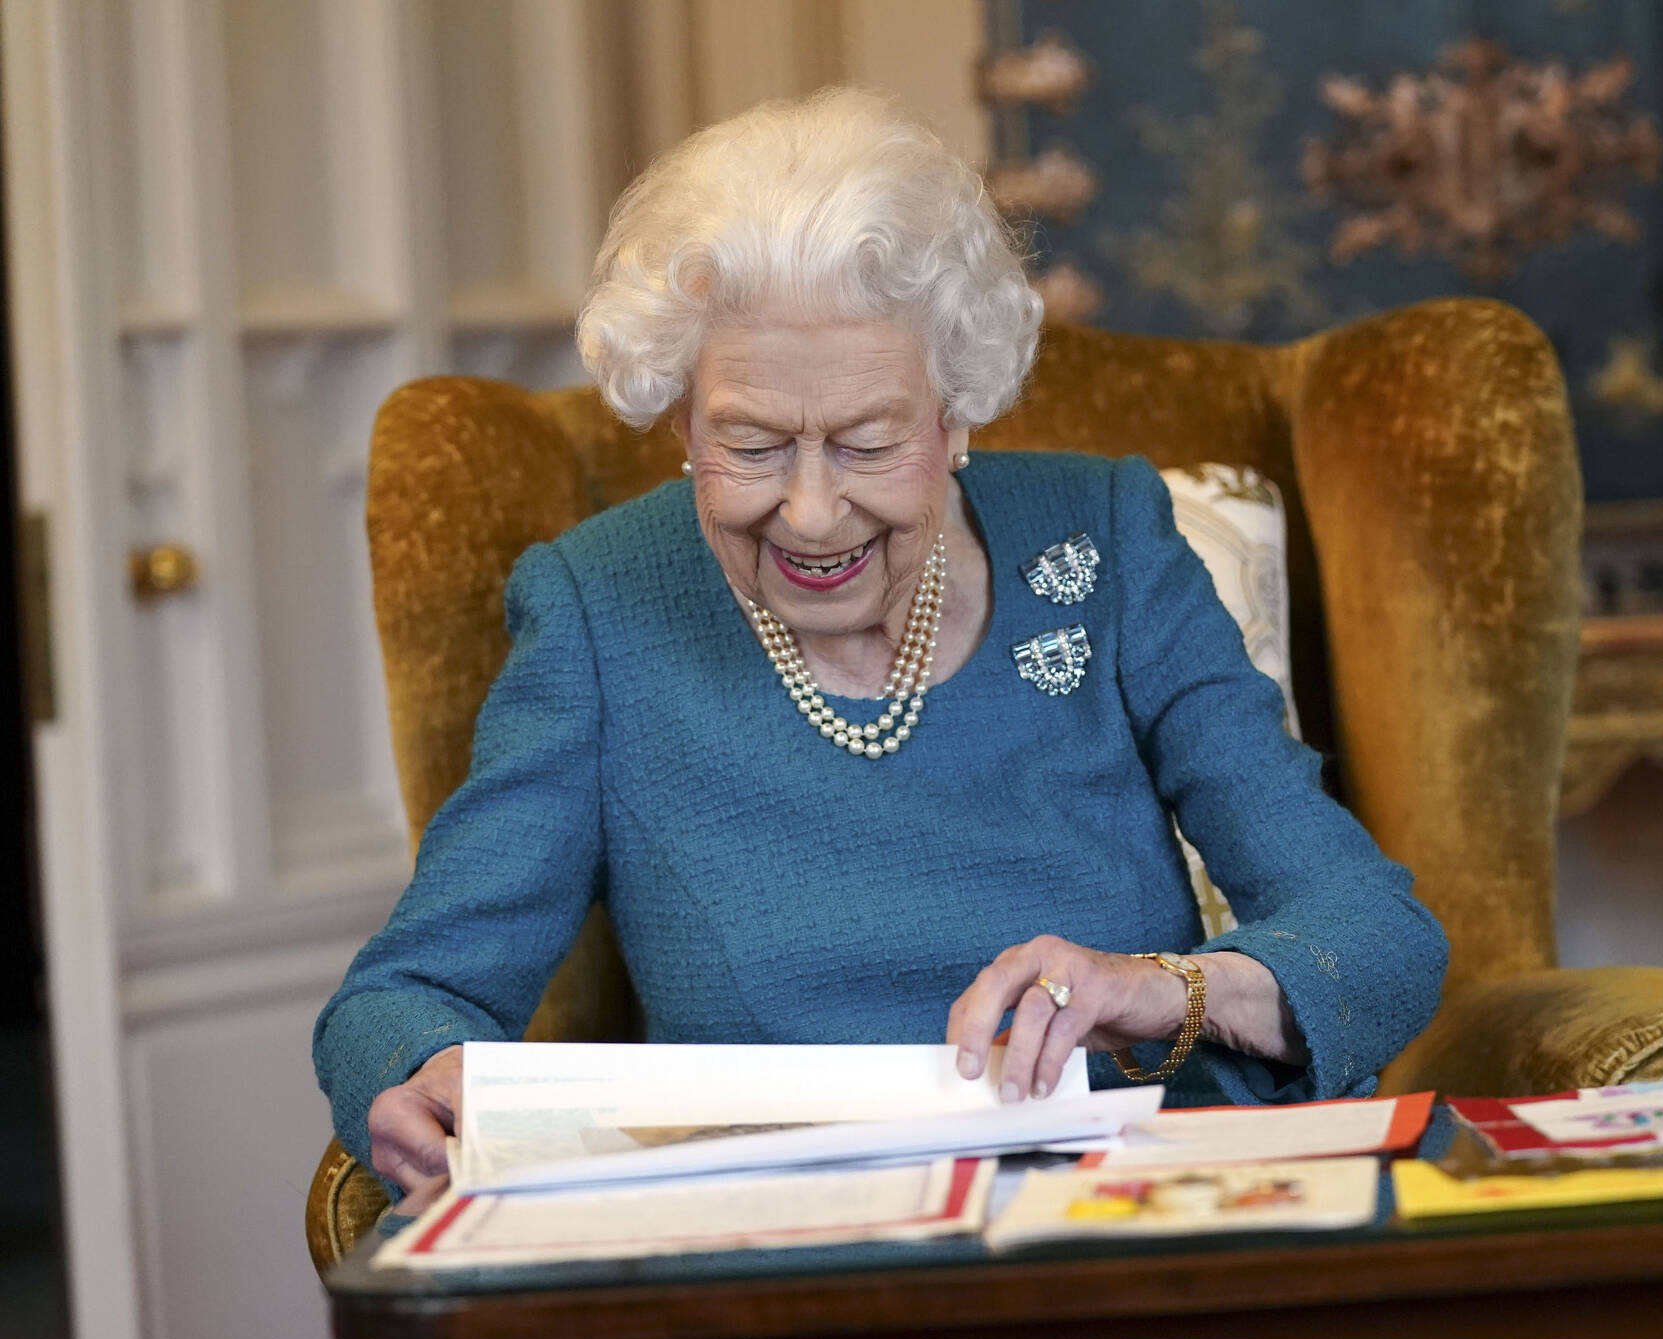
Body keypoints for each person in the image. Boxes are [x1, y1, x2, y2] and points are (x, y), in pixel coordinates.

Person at [314, 88, 1447, 1214]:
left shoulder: (1100, 539)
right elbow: (408, 991)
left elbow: (1374, 936)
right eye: (751, 444)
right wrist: (423, 1069)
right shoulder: (601, 606)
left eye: (867, 442)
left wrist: (1160, 989)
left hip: (1134, 1227)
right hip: (792, 1252)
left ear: (955, 411)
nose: (810, 513)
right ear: (681, 422)